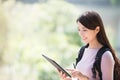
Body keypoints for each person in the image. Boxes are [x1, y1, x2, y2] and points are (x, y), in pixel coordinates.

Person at [58, 11, 117, 80]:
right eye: (79, 30)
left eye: (84, 30)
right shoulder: (83, 50)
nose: (81, 33)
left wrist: (84, 78)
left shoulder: (105, 55)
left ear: (97, 29)